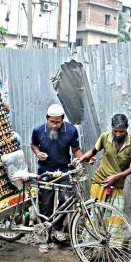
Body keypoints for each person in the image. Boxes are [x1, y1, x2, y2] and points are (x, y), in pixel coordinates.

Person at [30, 103, 85, 241]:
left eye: (58, 122)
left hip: (64, 170)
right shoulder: (38, 130)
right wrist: (38, 153)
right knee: (45, 202)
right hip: (45, 171)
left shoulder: (71, 130)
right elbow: (33, 144)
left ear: (63, 119)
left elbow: (75, 149)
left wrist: (83, 159)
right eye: (52, 122)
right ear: (47, 118)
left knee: (64, 200)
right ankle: (45, 233)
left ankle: (58, 228)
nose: (54, 125)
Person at [76, 113, 131, 210]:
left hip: (117, 184)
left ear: (127, 128)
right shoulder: (105, 136)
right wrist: (82, 158)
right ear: (111, 127)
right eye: (115, 131)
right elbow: (93, 151)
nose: (118, 134)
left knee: (116, 219)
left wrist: (116, 177)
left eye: (122, 131)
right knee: (95, 216)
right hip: (100, 180)